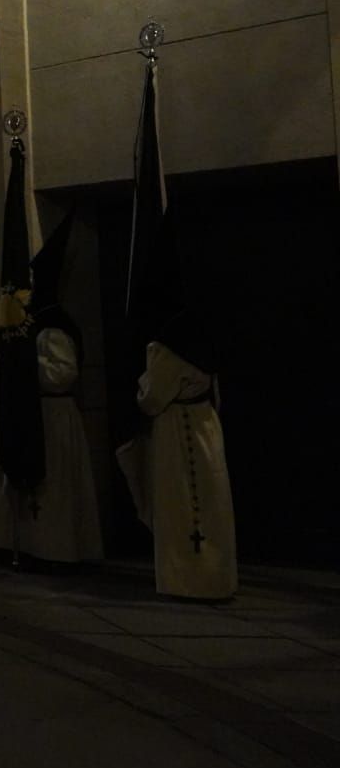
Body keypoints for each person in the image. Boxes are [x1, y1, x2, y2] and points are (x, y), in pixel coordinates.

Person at [117, 213, 236, 600]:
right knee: (211, 504)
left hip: (175, 429)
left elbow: (151, 398)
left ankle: (186, 581)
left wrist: (140, 388)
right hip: (205, 425)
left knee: (181, 505)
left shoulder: (167, 343)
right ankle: (216, 577)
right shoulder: (205, 329)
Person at [0, 216, 103, 565]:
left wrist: (25, 365)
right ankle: (30, 546)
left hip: (54, 416)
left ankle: (57, 551)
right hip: (35, 412)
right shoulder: (32, 324)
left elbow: (63, 374)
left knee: (54, 492)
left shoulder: (54, 326)